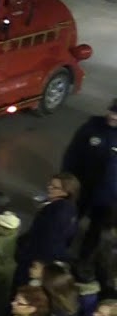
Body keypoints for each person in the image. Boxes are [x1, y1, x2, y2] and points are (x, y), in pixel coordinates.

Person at [62, 99, 117, 265]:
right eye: (112, 112)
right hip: (82, 186)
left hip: (108, 195)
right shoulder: (92, 127)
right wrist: (67, 180)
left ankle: (84, 259)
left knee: (96, 228)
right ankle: (61, 251)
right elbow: (72, 154)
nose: (114, 117)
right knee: (71, 220)